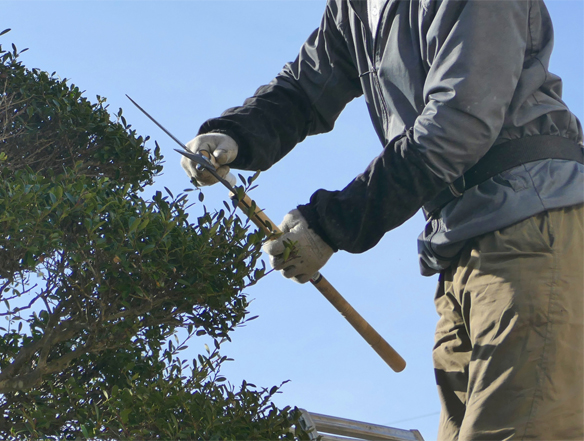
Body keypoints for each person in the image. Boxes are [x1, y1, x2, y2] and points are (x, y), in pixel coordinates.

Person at [181, 1, 584, 439]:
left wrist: (333, 224)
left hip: (533, 226)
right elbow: (303, 90)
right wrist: (236, 134)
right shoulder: (353, 9)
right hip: (461, 246)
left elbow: (458, 123)